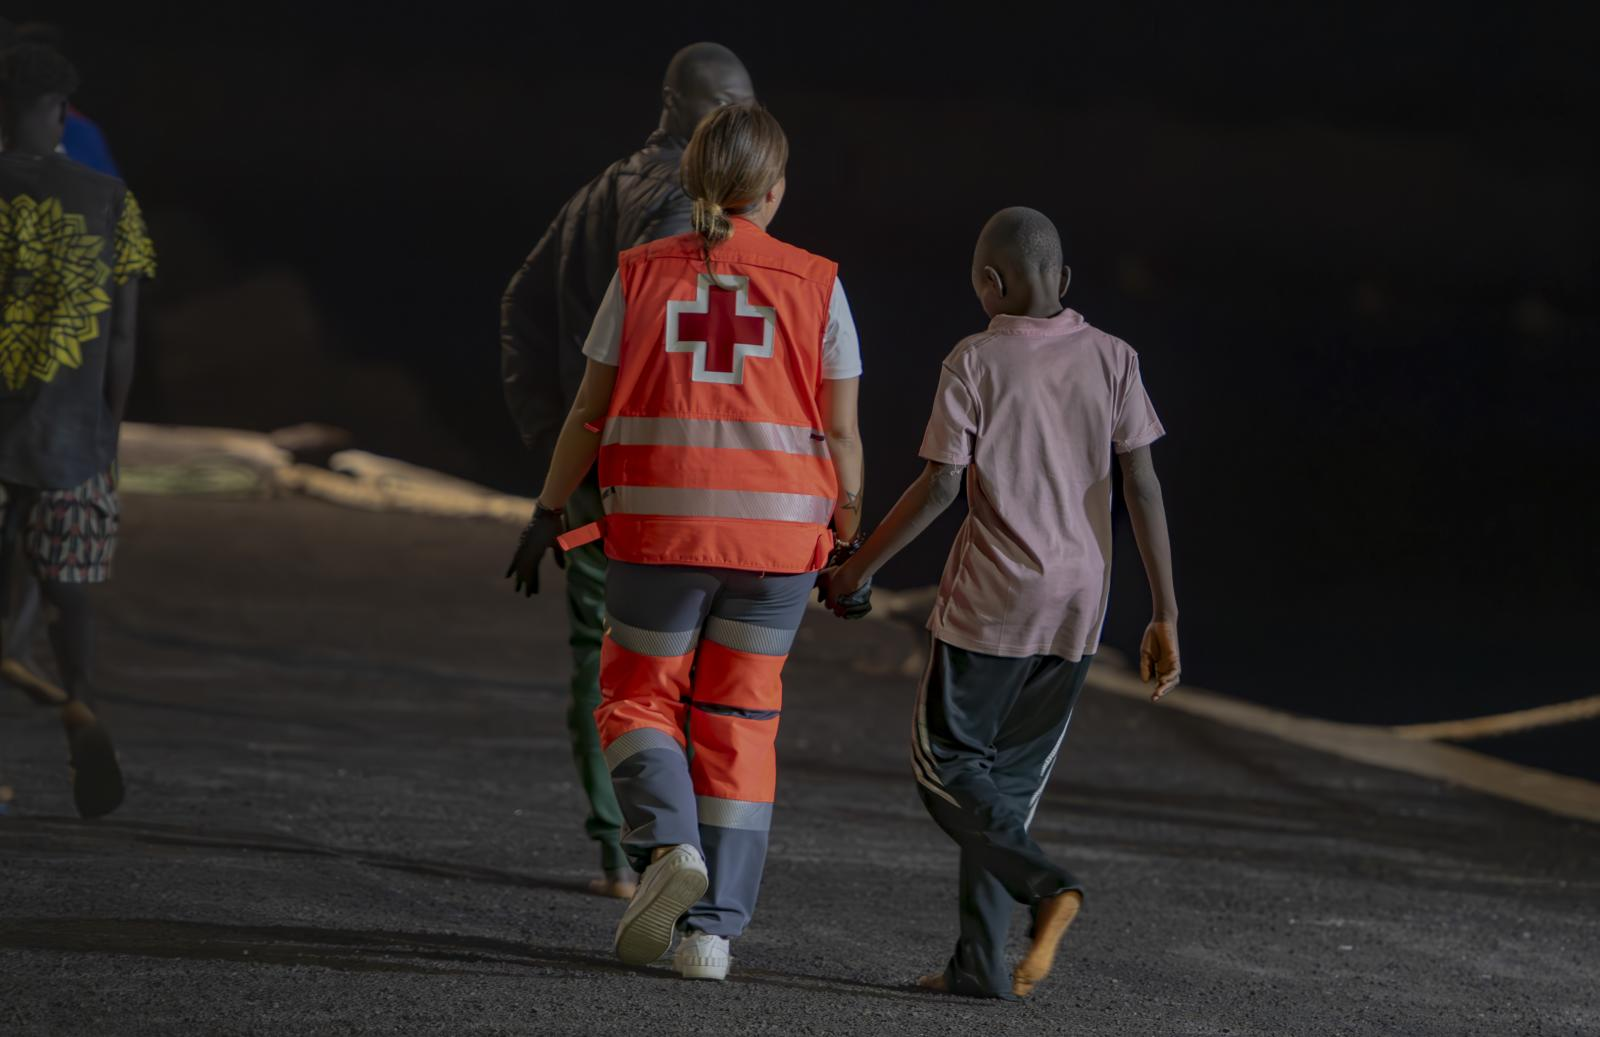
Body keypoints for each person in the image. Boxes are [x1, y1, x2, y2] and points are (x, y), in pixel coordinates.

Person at [506, 102, 865, 982]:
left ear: (693, 182)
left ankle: (668, 846)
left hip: (659, 536)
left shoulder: (640, 275)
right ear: (774, 191)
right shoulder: (819, 283)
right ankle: (711, 936)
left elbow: (589, 411)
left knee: (635, 698)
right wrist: (848, 538)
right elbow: (844, 434)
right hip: (779, 547)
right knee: (741, 721)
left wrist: (548, 510)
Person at [821, 207, 1180, 999]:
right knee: (1004, 793)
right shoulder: (1116, 358)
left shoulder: (975, 360)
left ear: (989, 282)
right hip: (1078, 611)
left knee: (945, 766)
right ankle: (980, 966)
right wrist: (1165, 613)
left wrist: (857, 571)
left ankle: (1047, 883)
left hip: (994, 605)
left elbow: (942, 484)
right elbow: (1142, 485)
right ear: (1066, 282)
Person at [500, 42, 755, 899]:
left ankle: (617, 846)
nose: (736, 128)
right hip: (663, 477)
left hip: (591, 469)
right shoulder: (688, 209)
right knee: (673, 666)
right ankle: (661, 849)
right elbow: (685, 358)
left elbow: (520, 306)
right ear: (681, 108)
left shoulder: (592, 195)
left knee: (598, 655)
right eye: (726, 111)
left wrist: (550, 437)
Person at [0, 43, 156, 818]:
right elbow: (123, 338)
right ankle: (81, 705)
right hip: (74, 443)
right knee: (68, 601)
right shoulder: (108, 200)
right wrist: (108, 430)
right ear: (59, 110)